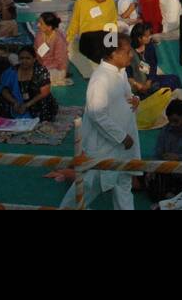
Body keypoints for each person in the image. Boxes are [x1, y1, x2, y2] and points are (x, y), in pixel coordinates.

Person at [59, 39, 139, 210]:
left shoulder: (121, 72)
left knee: (123, 185)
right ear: (113, 54)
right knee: (89, 184)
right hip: (105, 146)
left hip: (123, 145)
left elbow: (128, 97)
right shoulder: (100, 79)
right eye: (127, 51)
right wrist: (121, 137)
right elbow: (96, 113)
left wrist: (136, 100)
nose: (131, 55)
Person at [0, 46, 58, 122]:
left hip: (34, 101)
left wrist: (27, 105)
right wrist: (15, 102)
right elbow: (5, 90)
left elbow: (45, 92)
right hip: (16, 101)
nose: (24, 61)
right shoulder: (12, 71)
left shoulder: (40, 71)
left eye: (28, 58)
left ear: (34, 59)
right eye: (21, 58)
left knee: (45, 101)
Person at [66, 0, 119, 77]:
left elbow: (113, 21)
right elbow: (75, 21)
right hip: (89, 36)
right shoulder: (81, 2)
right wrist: (69, 38)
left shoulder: (110, 1)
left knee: (113, 53)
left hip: (107, 32)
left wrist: (113, 40)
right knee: (99, 55)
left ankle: (108, 64)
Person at [34, 11, 70, 85]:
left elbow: (60, 61)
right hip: (40, 64)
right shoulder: (40, 34)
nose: (38, 25)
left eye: (41, 24)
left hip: (55, 68)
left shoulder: (59, 40)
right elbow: (35, 50)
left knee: (39, 76)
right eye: (38, 22)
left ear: (49, 27)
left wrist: (43, 66)